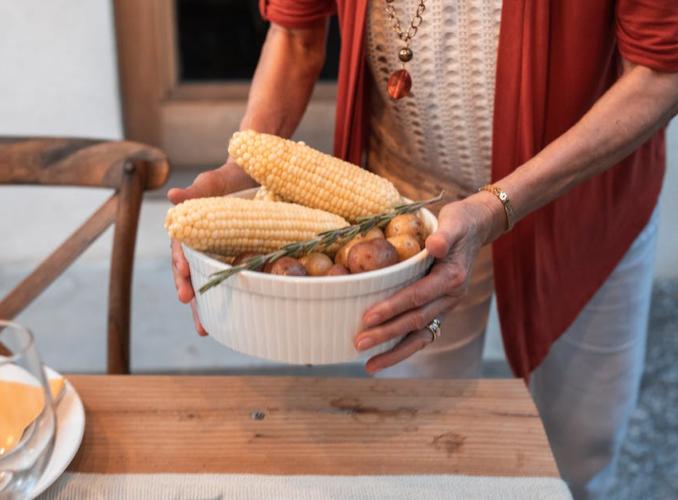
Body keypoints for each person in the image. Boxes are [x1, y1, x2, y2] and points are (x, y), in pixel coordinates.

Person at [169, 1, 678, 498]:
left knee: (581, 440)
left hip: (582, 200)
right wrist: (248, 166)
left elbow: (659, 74)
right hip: (409, 215)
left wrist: (495, 206)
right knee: (414, 433)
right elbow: (295, 35)